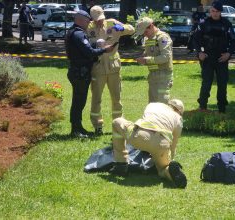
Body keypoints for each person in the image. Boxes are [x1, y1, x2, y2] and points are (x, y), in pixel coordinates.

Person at [111, 99, 187, 188]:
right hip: (162, 143)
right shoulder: (178, 119)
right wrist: (170, 160)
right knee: (162, 169)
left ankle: (121, 163)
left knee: (116, 122)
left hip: (140, 136)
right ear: (180, 112)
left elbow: (146, 118)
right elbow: (173, 145)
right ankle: (169, 171)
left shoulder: (153, 105)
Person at [66, 10, 115, 138]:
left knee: (79, 101)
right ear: (80, 20)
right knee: (78, 102)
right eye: (87, 21)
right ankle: (75, 130)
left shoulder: (75, 32)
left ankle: (78, 127)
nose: (89, 23)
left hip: (78, 71)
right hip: (79, 72)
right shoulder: (78, 34)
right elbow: (89, 53)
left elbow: (84, 49)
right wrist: (104, 49)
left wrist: (94, 44)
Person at [87, 5, 135, 135]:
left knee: (116, 98)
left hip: (113, 67)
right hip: (98, 67)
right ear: (92, 18)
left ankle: (118, 124)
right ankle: (97, 126)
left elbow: (132, 29)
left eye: (101, 18)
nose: (99, 21)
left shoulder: (112, 23)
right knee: (96, 98)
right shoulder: (88, 27)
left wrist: (123, 28)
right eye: (96, 19)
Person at [193, 1, 235, 113]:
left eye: (217, 11)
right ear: (210, 11)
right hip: (207, 57)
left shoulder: (226, 23)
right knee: (206, 83)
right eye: (213, 11)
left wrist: (229, 54)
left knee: (222, 84)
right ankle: (202, 107)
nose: (215, 13)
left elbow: (234, 41)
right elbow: (195, 40)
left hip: (222, 58)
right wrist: (199, 53)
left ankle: (222, 109)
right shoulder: (203, 23)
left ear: (220, 11)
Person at [134, 17, 174, 104]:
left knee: (162, 104)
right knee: (152, 105)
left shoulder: (162, 37)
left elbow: (165, 57)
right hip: (153, 75)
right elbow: (150, 52)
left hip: (163, 75)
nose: (144, 34)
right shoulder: (149, 39)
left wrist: (147, 60)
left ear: (151, 26)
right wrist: (143, 57)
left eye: (145, 32)